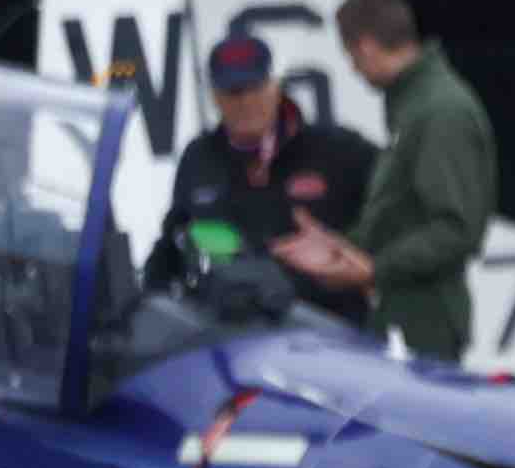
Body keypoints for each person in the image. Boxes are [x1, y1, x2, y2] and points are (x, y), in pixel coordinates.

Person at [284, 0, 494, 359]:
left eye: (351, 56)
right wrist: (341, 248)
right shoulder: (415, 104)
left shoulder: (440, 111)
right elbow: (401, 211)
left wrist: (374, 269)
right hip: (404, 318)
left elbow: (455, 228)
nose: (353, 68)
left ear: (365, 46)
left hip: (424, 326)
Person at [153, 31, 383, 322]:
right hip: (236, 337)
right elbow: (172, 243)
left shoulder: (338, 150)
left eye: (255, 87)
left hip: (332, 333)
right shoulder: (199, 157)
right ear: (214, 96)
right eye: (234, 92)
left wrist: (367, 262)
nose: (246, 102)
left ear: (275, 86)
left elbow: (402, 205)